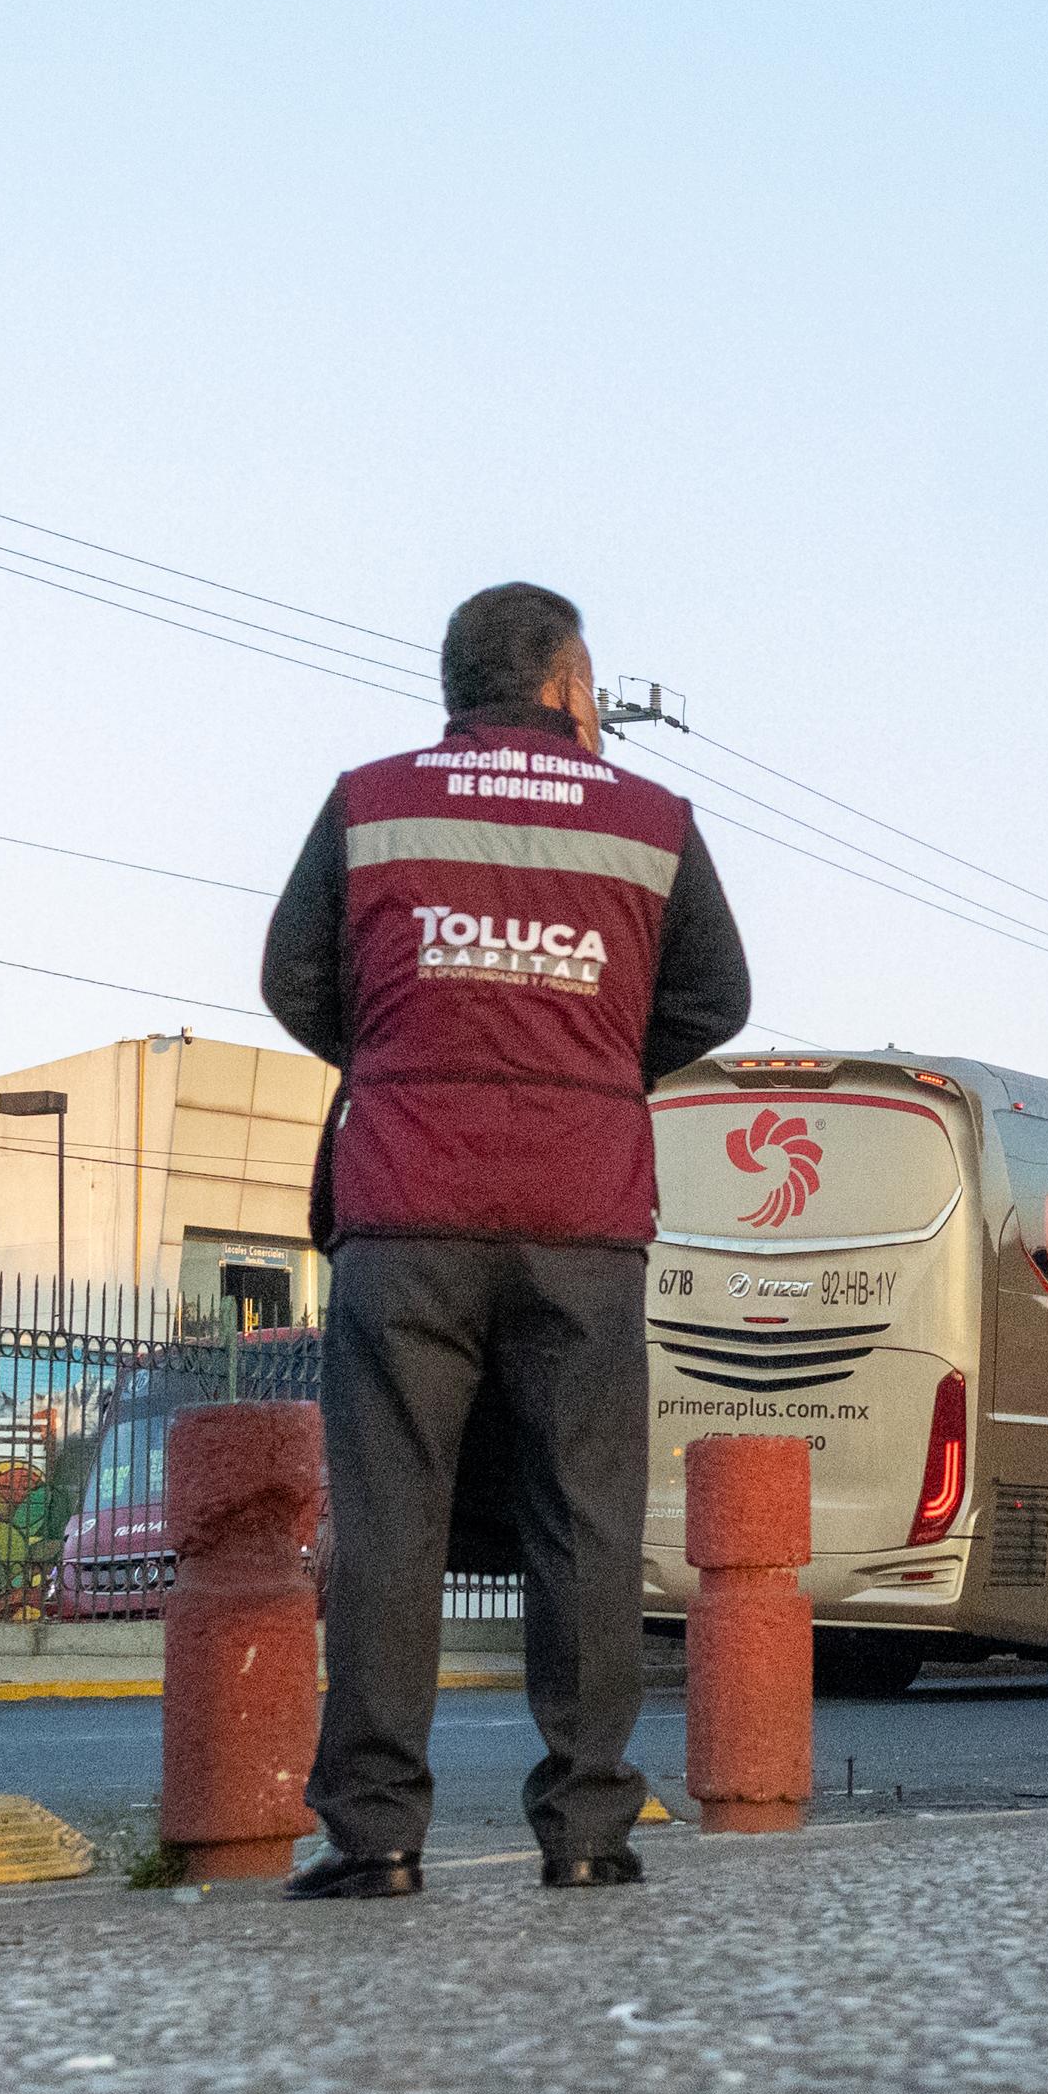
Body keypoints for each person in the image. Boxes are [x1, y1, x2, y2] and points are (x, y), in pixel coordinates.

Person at [259, 581, 753, 1899]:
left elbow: (292, 979)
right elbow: (717, 993)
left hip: (405, 1211)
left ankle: (375, 1838)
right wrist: (589, 1061)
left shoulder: (370, 804)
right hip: (585, 1218)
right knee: (585, 1520)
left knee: (389, 1516)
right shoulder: (652, 824)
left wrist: (421, 1057)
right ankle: (590, 1833)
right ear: (568, 685)